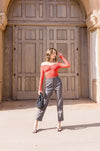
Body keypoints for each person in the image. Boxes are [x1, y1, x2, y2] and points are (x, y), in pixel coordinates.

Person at [33, 48, 71, 133]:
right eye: (53, 53)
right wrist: (39, 88)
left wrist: (61, 56)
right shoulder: (43, 64)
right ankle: (35, 124)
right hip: (48, 84)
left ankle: (59, 124)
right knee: (44, 103)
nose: (55, 55)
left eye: (55, 53)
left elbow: (68, 65)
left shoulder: (57, 63)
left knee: (59, 102)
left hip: (58, 83)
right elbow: (42, 77)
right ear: (49, 54)